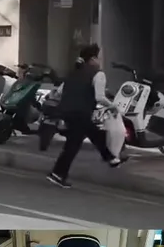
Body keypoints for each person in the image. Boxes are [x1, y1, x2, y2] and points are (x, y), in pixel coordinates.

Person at [49, 44, 121, 188]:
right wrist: (113, 106)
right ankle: (57, 174)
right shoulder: (98, 74)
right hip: (81, 112)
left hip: (66, 111)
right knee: (74, 144)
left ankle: (111, 158)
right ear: (93, 59)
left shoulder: (73, 72)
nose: (101, 61)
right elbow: (100, 97)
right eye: (99, 58)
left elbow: (58, 92)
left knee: (92, 133)